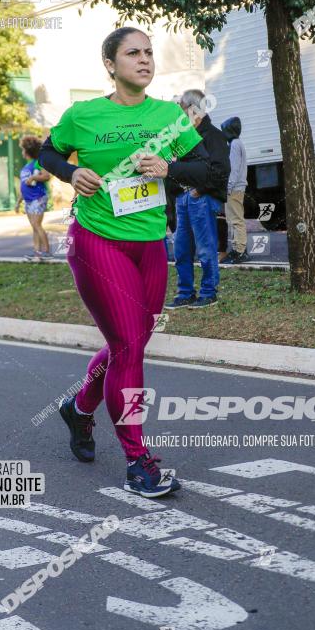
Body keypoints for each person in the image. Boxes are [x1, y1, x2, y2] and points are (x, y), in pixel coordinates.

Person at [39, 26, 215, 497]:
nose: (144, 59)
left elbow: (207, 168)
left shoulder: (169, 117)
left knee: (130, 342)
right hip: (97, 240)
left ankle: (80, 408)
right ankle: (139, 462)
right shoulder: (84, 115)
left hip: (150, 242)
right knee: (130, 346)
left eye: (148, 52)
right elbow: (47, 151)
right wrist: (73, 171)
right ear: (111, 65)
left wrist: (170, 168)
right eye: (132, 53)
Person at [164, 90, 230, 309]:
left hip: (200, 198)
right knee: (182, 249)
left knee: (205, 248)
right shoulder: (183, 137)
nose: (179, 113)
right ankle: (185, 293)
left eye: (181, 108)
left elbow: (221, 170)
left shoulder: (213, 135)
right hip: (183, 198)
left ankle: (209, 292)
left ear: (193, 109)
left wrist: (199, 190)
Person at [19, 135, 52, 259]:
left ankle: (47, 252)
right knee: (34, 226)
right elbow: (22, 187)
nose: (22, 152)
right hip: (28, 201)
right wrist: (18, 202)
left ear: (27, 151)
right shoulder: (26, 167)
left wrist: (33, 178)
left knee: (36, 225)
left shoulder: (38, 163)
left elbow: (47, 176)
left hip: (38, 197)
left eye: (23, 149)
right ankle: (37, 253)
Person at [222, 116, 250, 264]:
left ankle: (240, 250)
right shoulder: (237, 143)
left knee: (235, 219)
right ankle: (237, 248)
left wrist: (227, 187)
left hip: (234, 188)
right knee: (232, 219)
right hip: (237, 187)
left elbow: (233, 169)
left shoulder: (234, 145)